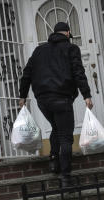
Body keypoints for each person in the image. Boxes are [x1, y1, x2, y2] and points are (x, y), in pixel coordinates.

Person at [18, 21, 93, 187]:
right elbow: (78, 72)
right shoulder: (71, 49)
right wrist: (86, 95)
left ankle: (53, 160)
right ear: (67, 33)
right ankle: (66, 176)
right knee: (66, 137)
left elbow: (27, 74)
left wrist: (22, 96)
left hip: (43, 100)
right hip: (62, 98)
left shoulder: (38, 50)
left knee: (56, 128)